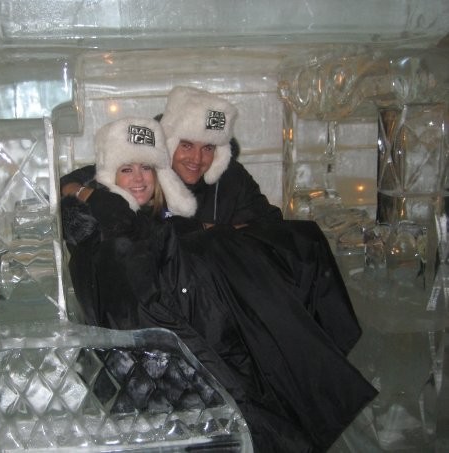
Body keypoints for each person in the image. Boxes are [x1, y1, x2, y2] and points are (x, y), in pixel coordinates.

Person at [61, 117, 378, 453]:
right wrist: (237, 401)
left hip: (213, 335)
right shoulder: (116, 245)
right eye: (127, 169)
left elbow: (259, 223)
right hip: (181, 380)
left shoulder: (198, 195)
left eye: (147, 168)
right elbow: (163, 336)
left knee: (300, 243)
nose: (139, 178)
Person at [61, 85, 282, 228]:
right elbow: (68, 183)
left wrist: (216, 233)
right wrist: (87, 195)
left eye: (208, 148)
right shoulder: (146, 170)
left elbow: (270, 224)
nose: (197, 159)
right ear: (169, 144)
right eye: (186, 145)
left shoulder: (232, 177)